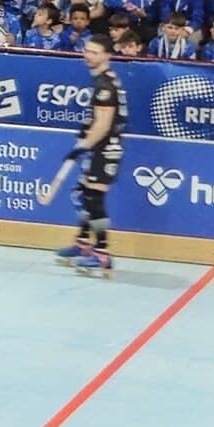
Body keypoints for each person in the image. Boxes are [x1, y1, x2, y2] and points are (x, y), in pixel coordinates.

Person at [55, 35, 124, 277]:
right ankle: (83, 243)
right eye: (87, 50)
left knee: (94, 199)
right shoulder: (102, 81)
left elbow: (103, 125)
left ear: (107, 55)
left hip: (104, 149)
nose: (88, 55)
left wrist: (83, 146)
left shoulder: (105, 86)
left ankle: (102, 254)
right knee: (83, 194)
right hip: (97, 148)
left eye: (95, 52)